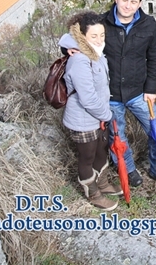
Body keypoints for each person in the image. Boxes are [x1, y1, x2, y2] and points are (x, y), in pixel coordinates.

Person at [67, 0, 156, 189]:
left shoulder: (148, 25)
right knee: (118, 136)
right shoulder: (101, 22)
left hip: (139, 92)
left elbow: (155, 56)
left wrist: (151, 88)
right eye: (124, 0)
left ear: (140, 4)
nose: (128, 5)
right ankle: (128, 170)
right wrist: (68, 48)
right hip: (110, 95)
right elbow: (74, 35)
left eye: (133, 2)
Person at [58, 11, 121, 211]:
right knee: (87, 157)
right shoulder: (79, 60)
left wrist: (104, 115)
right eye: (94, 36)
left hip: (98, 117)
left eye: (102, 35)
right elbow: (87, 98)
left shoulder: (96, 54)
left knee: (101, 151)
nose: (99, 39)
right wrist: (108, 115)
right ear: (82, 36)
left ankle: (102, 183)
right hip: (83, 119)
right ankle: (93, 193)